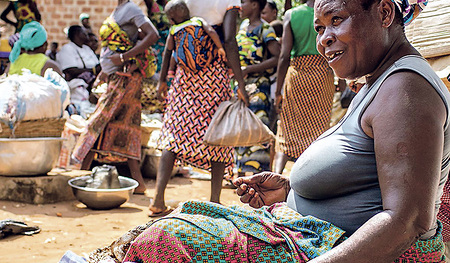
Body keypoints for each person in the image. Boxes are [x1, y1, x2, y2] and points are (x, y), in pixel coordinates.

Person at [120, 0, 450, 262]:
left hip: (333, 249)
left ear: (384, 11)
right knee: (168, 225)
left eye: (337, 20)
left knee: (166, 240)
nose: (324, 39)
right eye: (320, 28)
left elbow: (406, 222)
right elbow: (366, 179)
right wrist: (290, 190)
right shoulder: (377, 82)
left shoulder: (407, 90)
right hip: (311, 234)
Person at [149, 0, 250, 216]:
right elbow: (230, 39)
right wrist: (239, 82)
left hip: (184, 76)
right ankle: (214, 200)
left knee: (175, 132)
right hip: (214, 74)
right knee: (217, 131)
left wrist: (163, 80)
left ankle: (157, 199)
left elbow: (171, 40)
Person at [71, 0, 159, 195]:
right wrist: (104, 71)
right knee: (116, 127)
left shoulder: (132, 9)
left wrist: (124, 57)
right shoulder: (118, 10)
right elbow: (111, 47)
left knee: (99, 124)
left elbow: (152, 35)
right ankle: (135, 182)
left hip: (126, 80)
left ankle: (80, 177)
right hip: (116, 78)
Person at [272, 0, 335, 174]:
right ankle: (309, 179)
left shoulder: (292, 15)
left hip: (297, 77)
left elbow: (284, 56)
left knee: (286, 130)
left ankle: (275, 176)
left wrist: (278, 91)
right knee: (318, 131)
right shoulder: (329, 12)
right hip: (323, 76)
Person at [234, 0, 280, 175]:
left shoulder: (265, 29)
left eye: (244, 2)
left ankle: (259, 176)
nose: (241, 6)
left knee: (257, 129)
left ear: (255, 5)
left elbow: (276, 56)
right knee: (240, 128)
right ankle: (238, 174)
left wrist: (249, 69)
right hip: (241, 85)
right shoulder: (244, 25)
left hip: (259, 86)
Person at [56, 25, 101, 113]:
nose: (86, 35)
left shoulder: (87, 49)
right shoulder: (67, 49)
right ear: (76, 34)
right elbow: (70, 70)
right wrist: (93, 70)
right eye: (83, 33)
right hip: (77, 90)